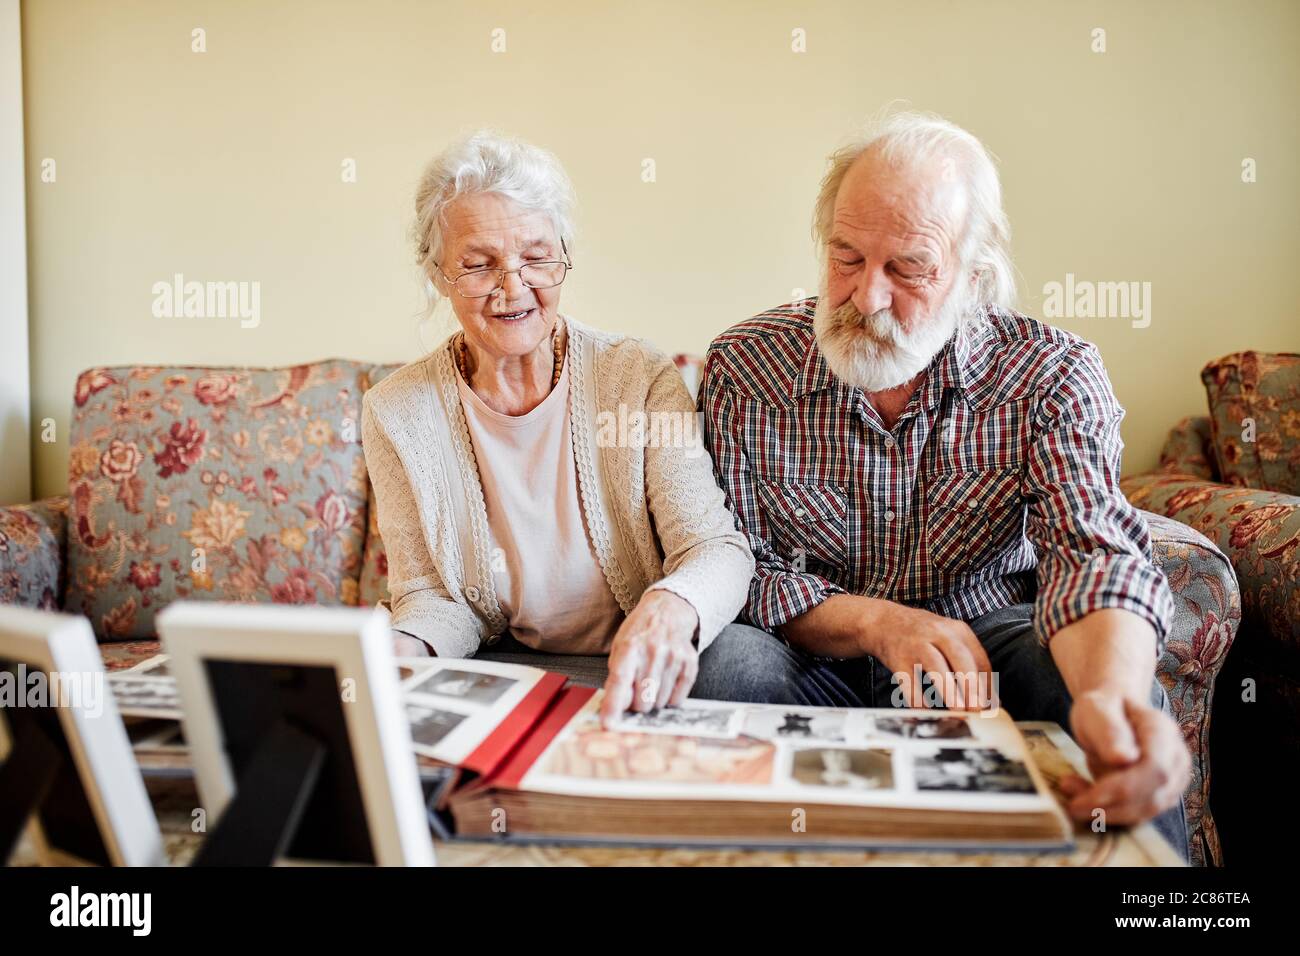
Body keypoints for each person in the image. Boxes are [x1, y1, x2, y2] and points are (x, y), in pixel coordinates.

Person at [697, 111, 1191, 856]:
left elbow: (1093, 552)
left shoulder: (1052, 374)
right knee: (723, 663)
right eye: (847, 258)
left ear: (973, 275)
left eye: (910, 268)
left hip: (986, 648)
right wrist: (876, 622)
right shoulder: (746, 366)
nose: (866, 298)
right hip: (813, 653)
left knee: (1101, 697)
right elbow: (736, 561)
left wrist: (1109, 702)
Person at [362, 131, 754, 723]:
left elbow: (714, 549)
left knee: (745, 666)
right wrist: (403, 647)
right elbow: (431, 596)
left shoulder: (637, 377)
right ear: (439, 273)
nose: (514, 287)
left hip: (636, 662)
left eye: (537, 257)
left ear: (563, 255)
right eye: (478, 264)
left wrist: (670, 606)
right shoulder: (398, 411)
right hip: (503, 664)